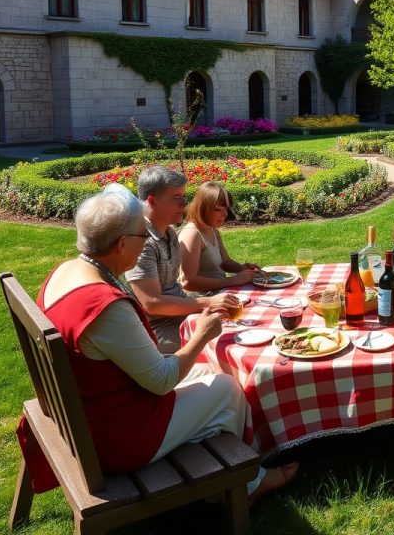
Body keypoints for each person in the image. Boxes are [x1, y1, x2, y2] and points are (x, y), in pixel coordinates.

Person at [33, 186, 297, 500]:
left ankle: (226, 475)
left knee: (211, 370)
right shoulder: (105, 307)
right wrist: (201, 334)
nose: (146, 243)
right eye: (142, 237)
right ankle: (249, 483)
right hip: (119, 436)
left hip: (94, 407)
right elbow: (162, 381)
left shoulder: (68, 271)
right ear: (121, 244)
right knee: (227, 390)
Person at [125, 166, 239, 354]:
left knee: (237, 320)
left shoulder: (169, 233)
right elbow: (152, 304)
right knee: (229, 342)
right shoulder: (141, 242)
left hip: (181, 314)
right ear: (152, 201)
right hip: (157, 330)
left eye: (184, 197)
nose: (185, 204)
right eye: (176, 198)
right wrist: (207, 302)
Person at [178, 181, 265, 292]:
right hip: (201, 299)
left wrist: (243, 268)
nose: (225, 214)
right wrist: (231, 280)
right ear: (203, 208)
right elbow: (187, 282)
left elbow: (225, 262)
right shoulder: (192, 234)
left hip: (219, 291)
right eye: (218, 209)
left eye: (226, 209)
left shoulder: (212, 230)